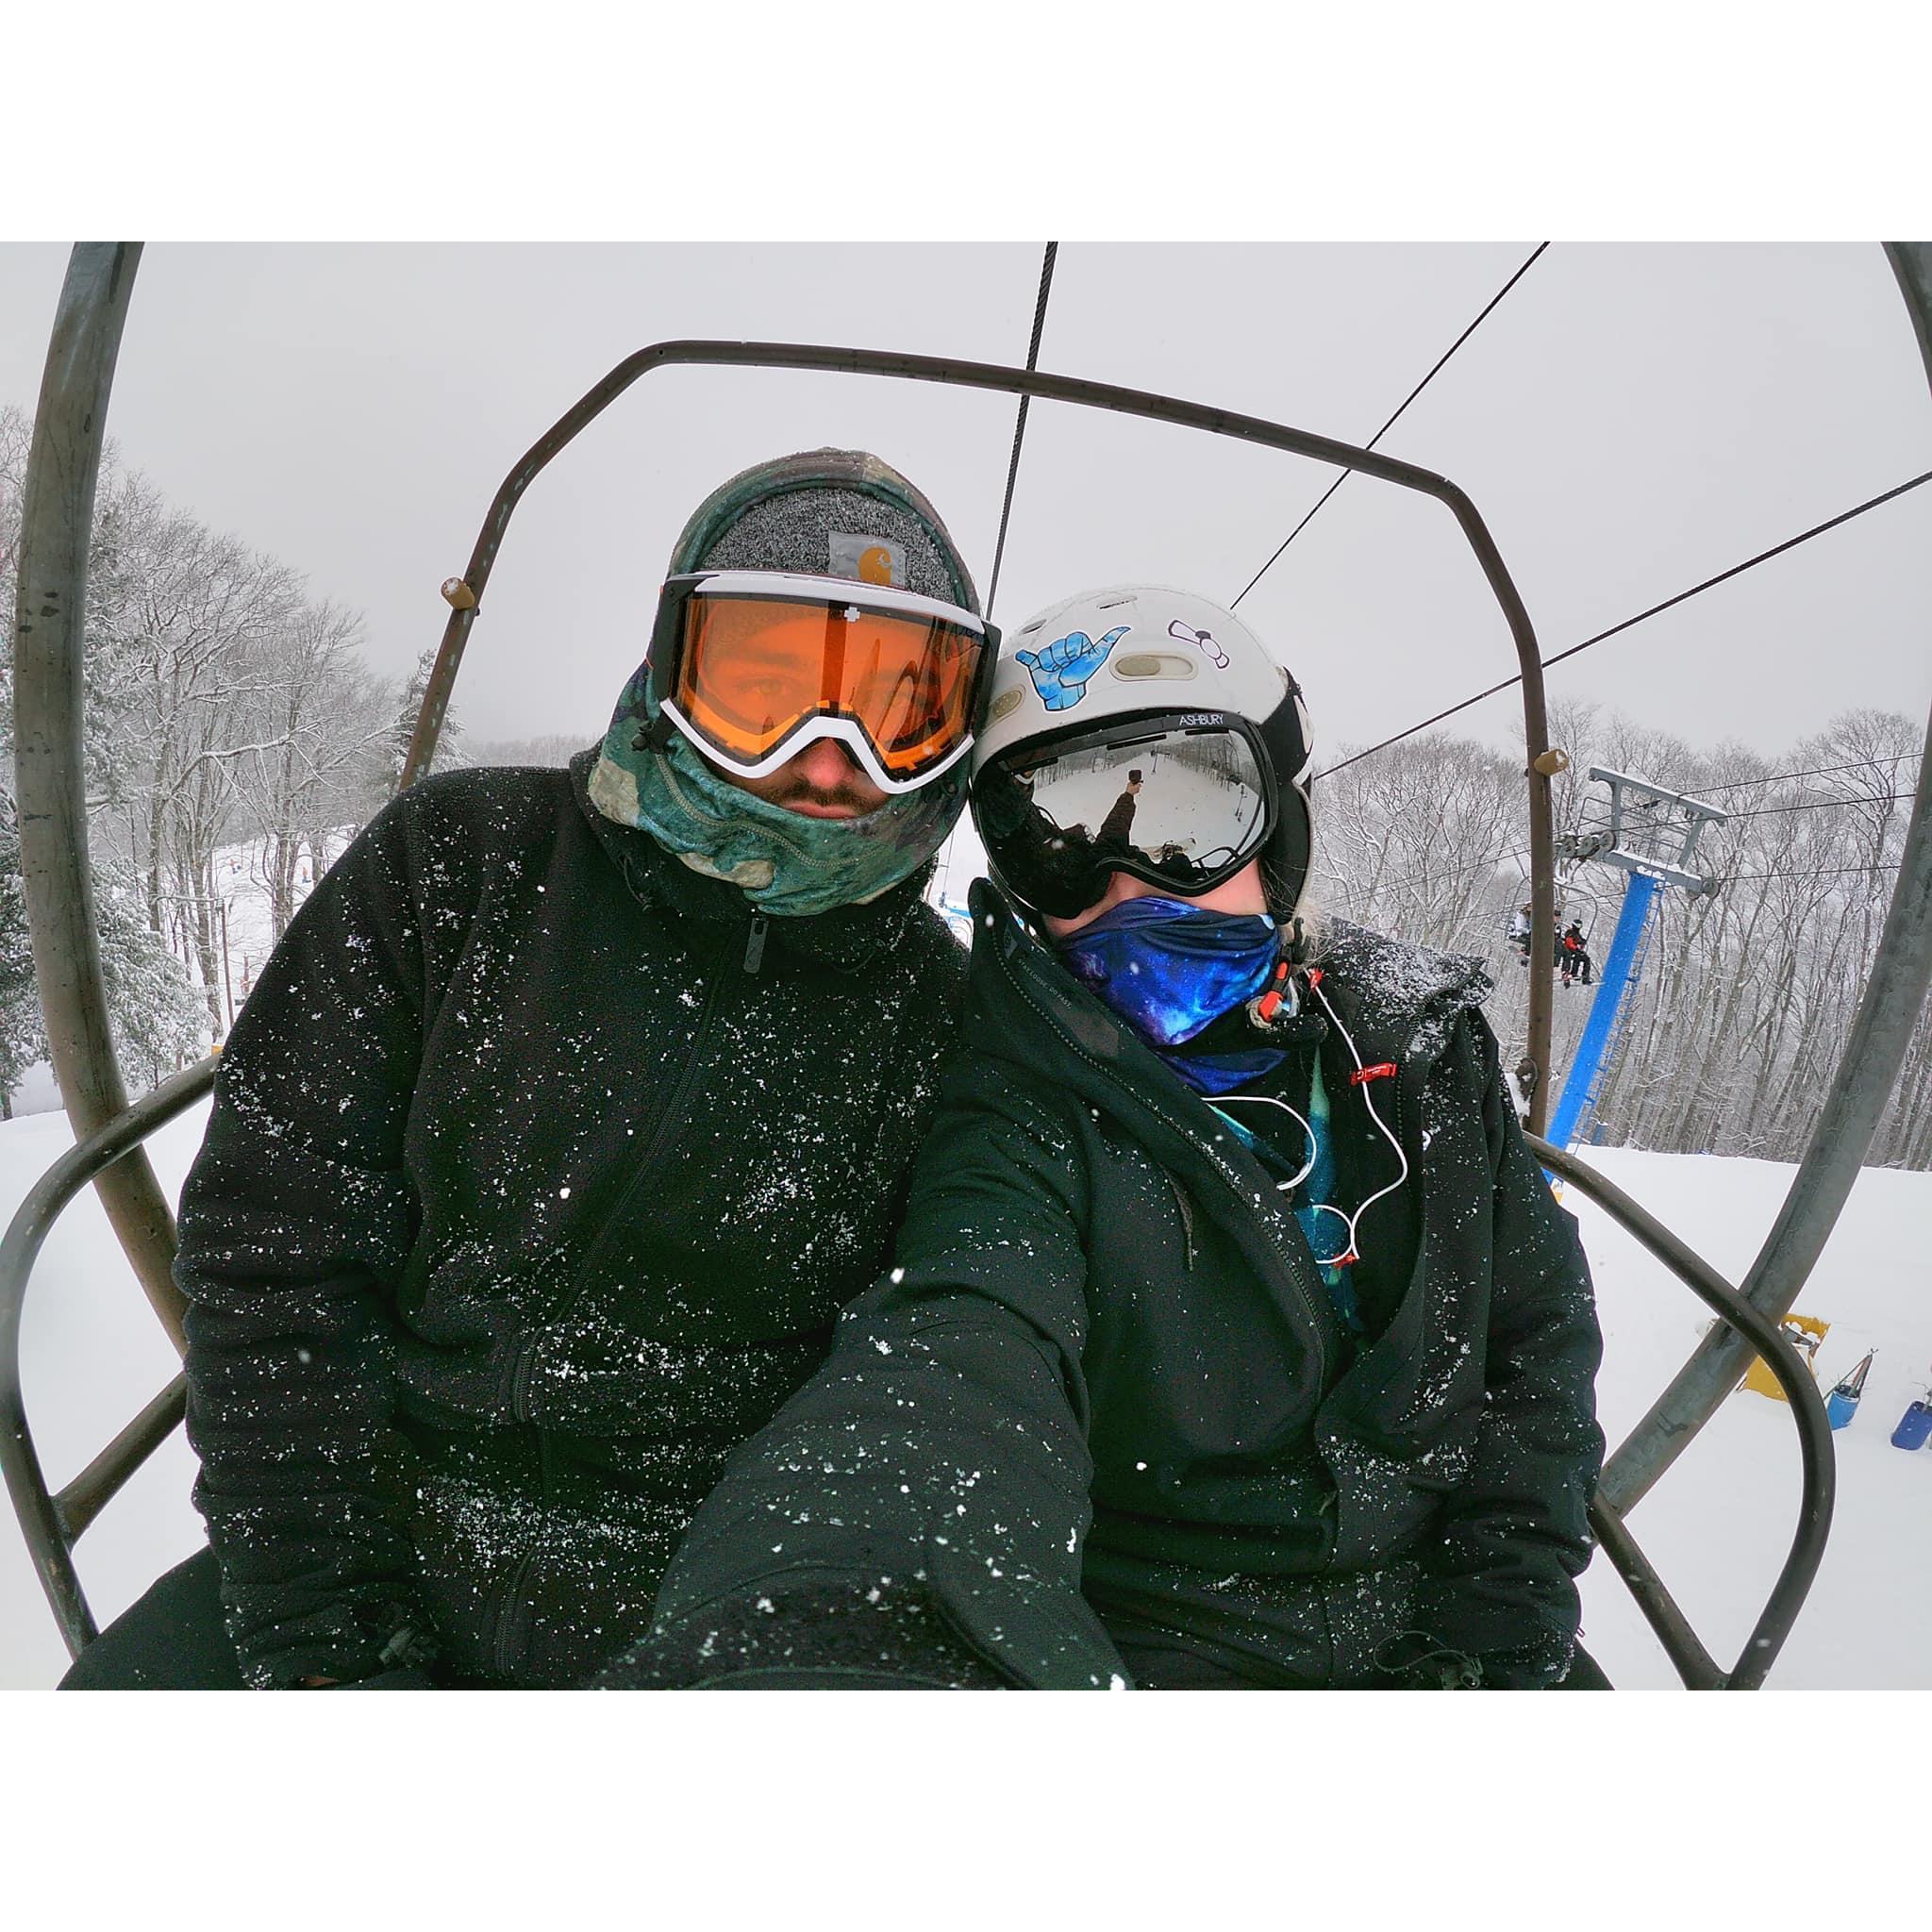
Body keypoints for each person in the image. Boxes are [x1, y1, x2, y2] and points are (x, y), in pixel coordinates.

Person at [60, 449, 991, 1690]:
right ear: (672, 676)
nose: (830, 763)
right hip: (378, 1523)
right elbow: (277, 1256)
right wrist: (330, 1637)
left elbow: (911, 1385)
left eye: (894, 713)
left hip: (703, 1582)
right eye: (763, 696)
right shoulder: (466, 868)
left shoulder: (931, 1010)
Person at [602, 585, 1606, 1690]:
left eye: (1184, 817)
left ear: (1278, 815)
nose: (1124, 881)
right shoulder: (1018, 1096)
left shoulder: (1414, 1043)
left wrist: (1496, 1635)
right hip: (1166, 1634)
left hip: (1450, 1616)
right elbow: (961, 1342)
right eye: (1060, 840)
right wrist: (845, 1632)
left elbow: (1532, 1345)